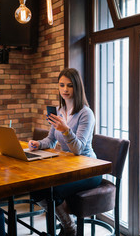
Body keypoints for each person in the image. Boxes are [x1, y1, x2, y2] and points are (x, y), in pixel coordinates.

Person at [28, 68, 101, 236]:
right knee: (36, 189)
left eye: (70, 85)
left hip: (89, 170)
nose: (65, 90)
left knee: (51, 190)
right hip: (68, 168)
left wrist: (66, 130)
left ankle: (69, 228)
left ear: (77, 87)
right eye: (62, 85)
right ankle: (68, 224)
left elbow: (78, 149)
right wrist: (37, 144)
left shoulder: (86, 113)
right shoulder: (60, 111)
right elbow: (51, 140)